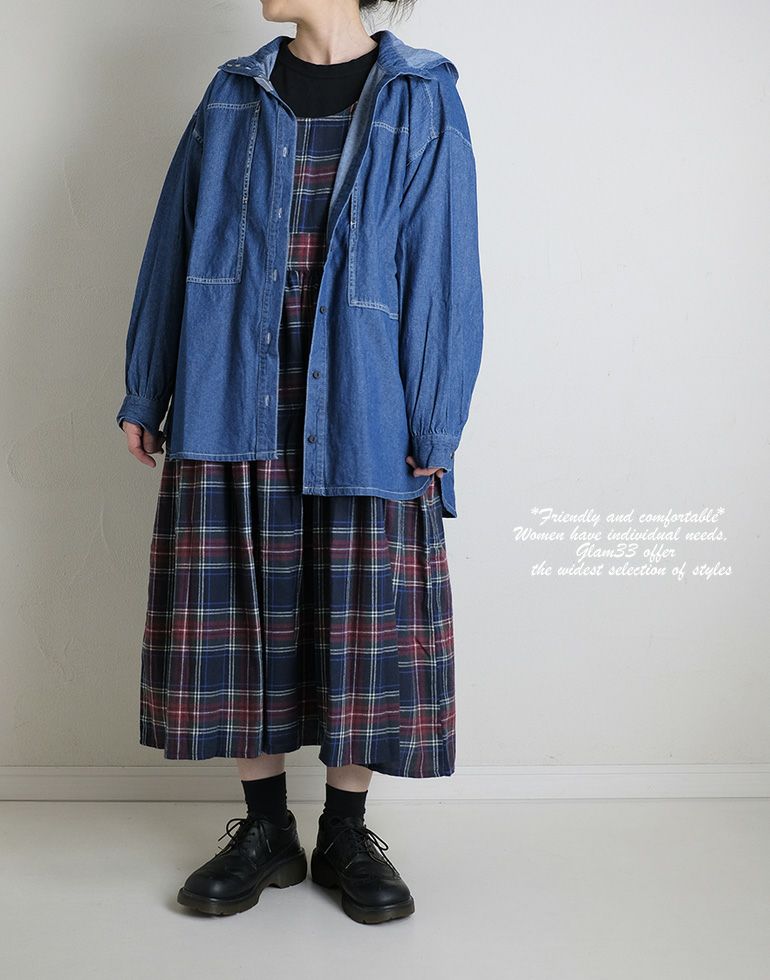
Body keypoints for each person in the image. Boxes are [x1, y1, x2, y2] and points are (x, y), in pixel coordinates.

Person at [116, 0, 483, 925]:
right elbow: (173, 239)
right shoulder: (233, 93)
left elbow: (443, 264)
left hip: (364, 403)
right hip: (232, 392)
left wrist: (435, 421)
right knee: (244, 613)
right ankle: (266, 828)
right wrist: (147, 386)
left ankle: (346, 833)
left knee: (361, 619)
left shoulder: (422, 96)